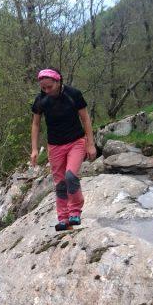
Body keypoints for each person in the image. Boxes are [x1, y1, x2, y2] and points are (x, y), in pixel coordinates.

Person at [30, 68, 97, 231]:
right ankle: (64, 220)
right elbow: (36, 124)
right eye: (43, 88)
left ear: (58, 81)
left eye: (49, 87)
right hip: (55, 146)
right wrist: (34, 149)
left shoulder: (73, 94)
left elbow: (85, 119)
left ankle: (75, 212)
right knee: (60, 183)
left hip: (76, 142)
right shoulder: (40, 100)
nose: (46, 91)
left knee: (70, 176)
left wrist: (90, 143)